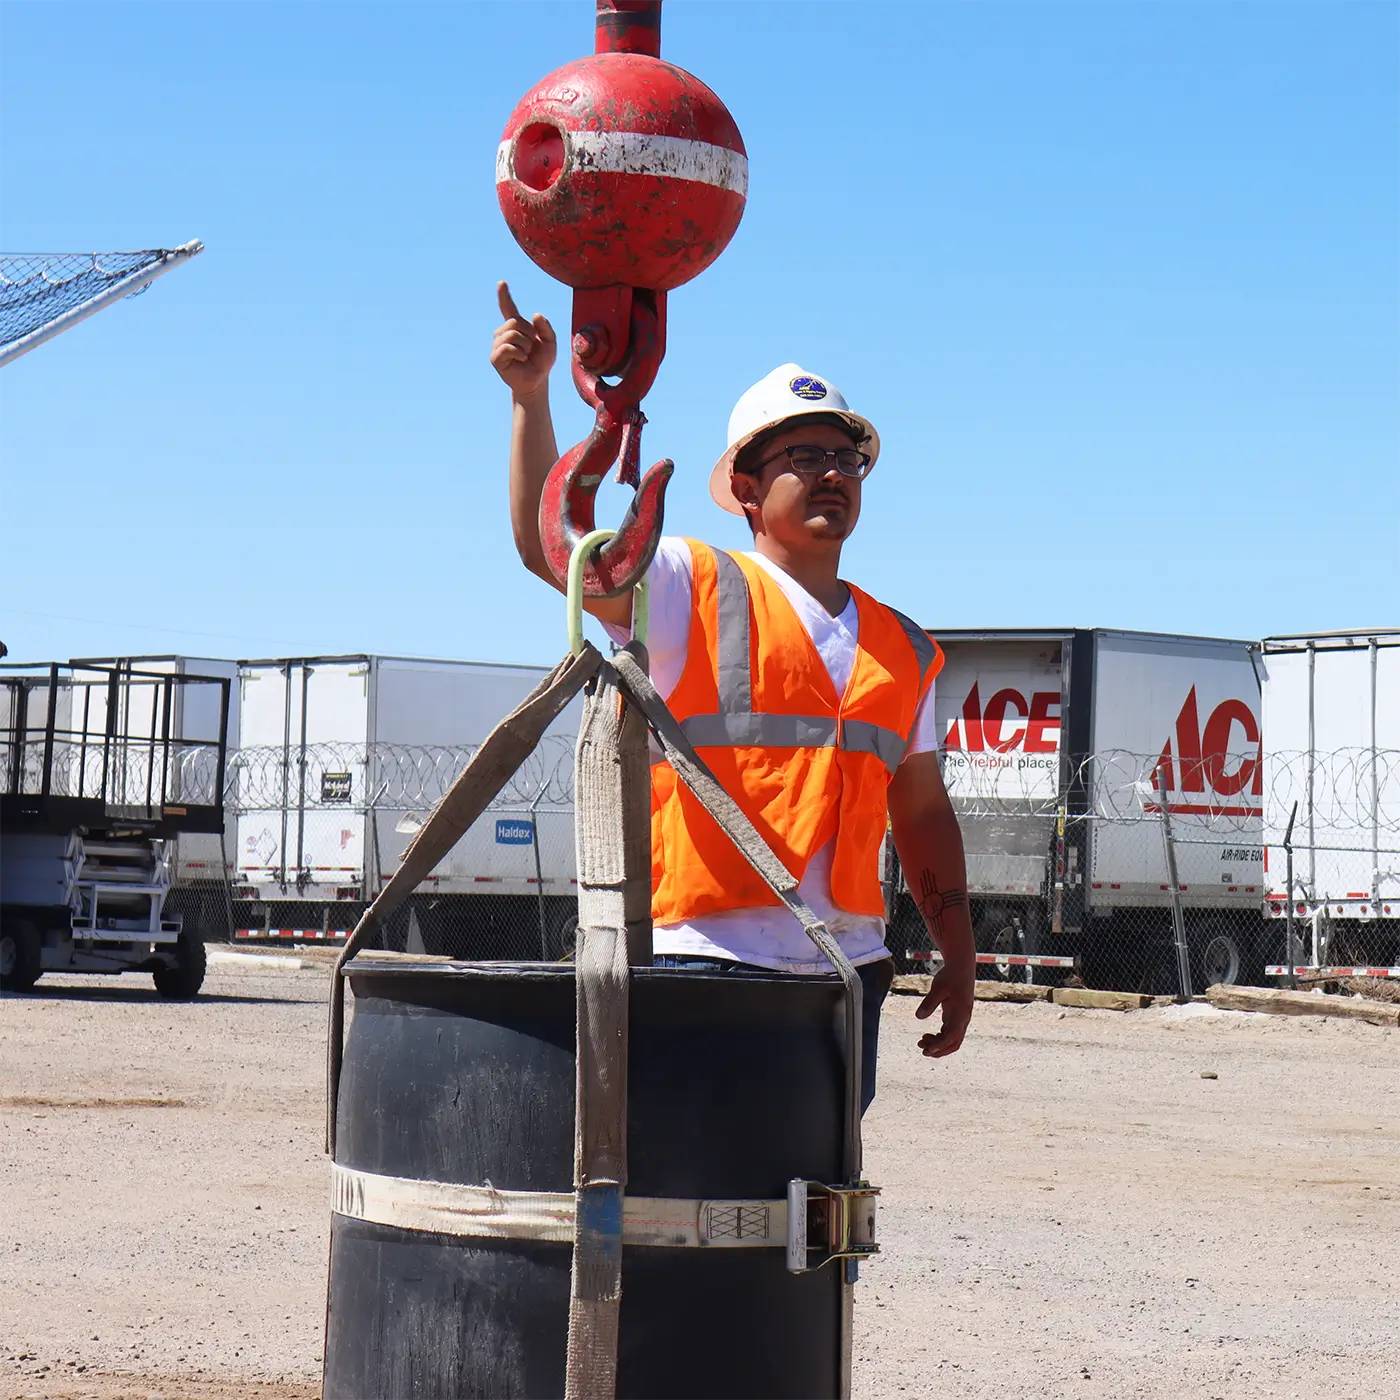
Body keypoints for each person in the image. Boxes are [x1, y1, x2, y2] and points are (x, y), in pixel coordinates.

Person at [491, 282, 975, 1107]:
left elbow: (921, 811)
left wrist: (958, 953)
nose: (832, 475)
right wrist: (532, 401)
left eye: (846, 459)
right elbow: (554, 552)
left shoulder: (905, 648)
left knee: (817, 1215)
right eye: (804, 459)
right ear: (746, 489)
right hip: (705, 961)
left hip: (845, 970)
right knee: (698, 1216)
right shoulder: (689, 585)